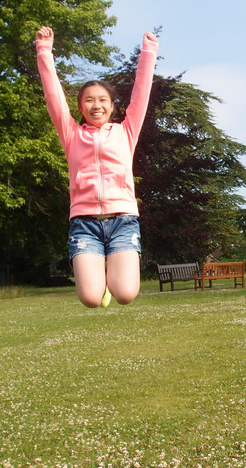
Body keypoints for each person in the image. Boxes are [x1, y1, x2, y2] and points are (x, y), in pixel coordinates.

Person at [35, 26, 159, 308]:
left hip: (122, 220)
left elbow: (141, 95)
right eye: (89, 100)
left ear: (112, 107)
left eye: (103, 100)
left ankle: (110, 276)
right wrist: (44, 51)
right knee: (91, 299)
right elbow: (53, 97)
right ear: (80, 107)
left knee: (125, 294)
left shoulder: (125, 132)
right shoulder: (72, 135)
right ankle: (99, 282)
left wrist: (149, 52)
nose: (96, 105)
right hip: (84, 224)